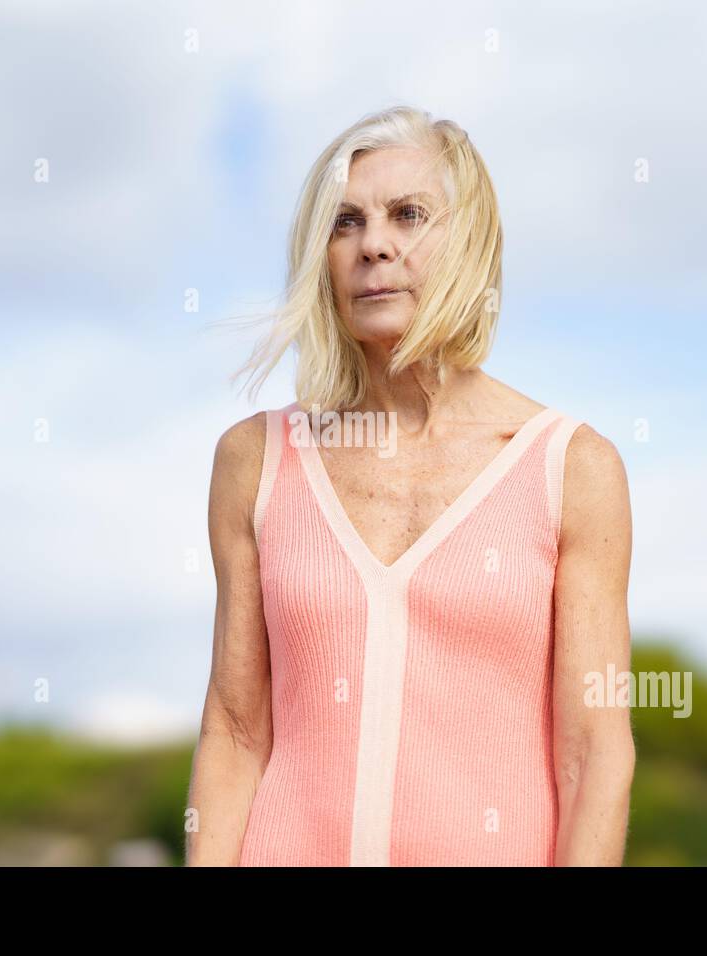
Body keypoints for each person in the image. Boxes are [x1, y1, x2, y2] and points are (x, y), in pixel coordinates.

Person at [186, 106, 634, 866]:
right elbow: (233, 730)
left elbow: (593, 754)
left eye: (408, 215)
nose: (374, 245)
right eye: (345, 222)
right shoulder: (254, 459)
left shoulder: (571, 467)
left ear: (469, 241)